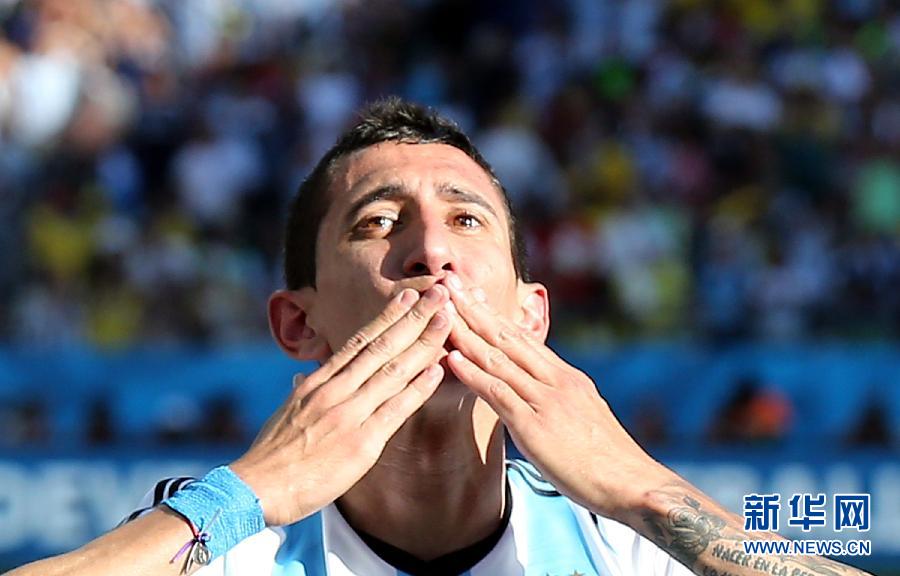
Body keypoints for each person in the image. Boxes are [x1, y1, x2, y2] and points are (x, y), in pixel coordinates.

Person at [10, 99, 870, 576]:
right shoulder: (226, 540)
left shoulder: (624, 548)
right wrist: (248, 493)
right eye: (379, 223)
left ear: (532, 316)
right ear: (299, 325)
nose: (432, 254)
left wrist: (645, 492)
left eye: (466, 220)